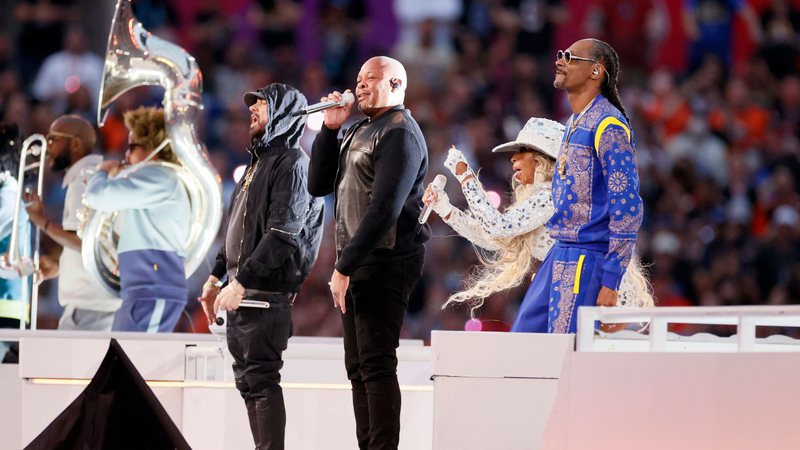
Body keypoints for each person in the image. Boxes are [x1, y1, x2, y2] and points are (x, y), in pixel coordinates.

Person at [422, 117, 653, 329]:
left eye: (522, 151)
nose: (513, 158)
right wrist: (446, 210)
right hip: (571, 285)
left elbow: (497, 226)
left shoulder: (555, 195)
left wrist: (465, 176)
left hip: (592, 289)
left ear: (543, 158)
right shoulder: (546, 197)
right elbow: (495, 239)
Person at [308, 56, 429, 450]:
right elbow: (318, 184)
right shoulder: (359, 127)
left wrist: (343, 266)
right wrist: (330, 129)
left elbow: (385, 209)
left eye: (370, 79)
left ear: (395, 85)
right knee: (357, 366)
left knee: (376, 363)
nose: (359, 85)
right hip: (359, 259)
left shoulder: (399, 132)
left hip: (386, 258)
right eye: (358, 78)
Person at [197, 83, 324, 450]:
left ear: (284, 114)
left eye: (262, 105)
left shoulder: (293, 163)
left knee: (261, 380)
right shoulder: (257, 163)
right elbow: (234, 231)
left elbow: (283, 233)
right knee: (249, 383)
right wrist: (215, 277)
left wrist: (240, 284)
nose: (253, 110)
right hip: (244, 292)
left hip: (264, 295)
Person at [487, 38, 642, 333]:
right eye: (560, 54)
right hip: (559, 253)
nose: (560, 60)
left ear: (596, 71)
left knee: (560, 358)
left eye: (570, 57)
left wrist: (611, 280)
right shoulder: (573, 122)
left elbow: (628, 206)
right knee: (522, 342)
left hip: (586, 258)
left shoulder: (609, 126)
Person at [84, 107, 189, 332]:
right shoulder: (157, 178)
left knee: (135, 363)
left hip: (153, 290)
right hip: (145, 290)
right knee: (125, 361)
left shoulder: (158, 175)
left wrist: (101, 172)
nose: (126, 156)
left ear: (155, 146)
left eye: (131, 147)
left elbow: (97, 195)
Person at [25, 115, 121, 330]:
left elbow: (85, 243)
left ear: (75, 143)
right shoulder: (95, 176)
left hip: (89, 307)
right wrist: (61, 267)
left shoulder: (82, 181)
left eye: (53, 139)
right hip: (95, 305)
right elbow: (98, 248)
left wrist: (41, 221)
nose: (47, 147)